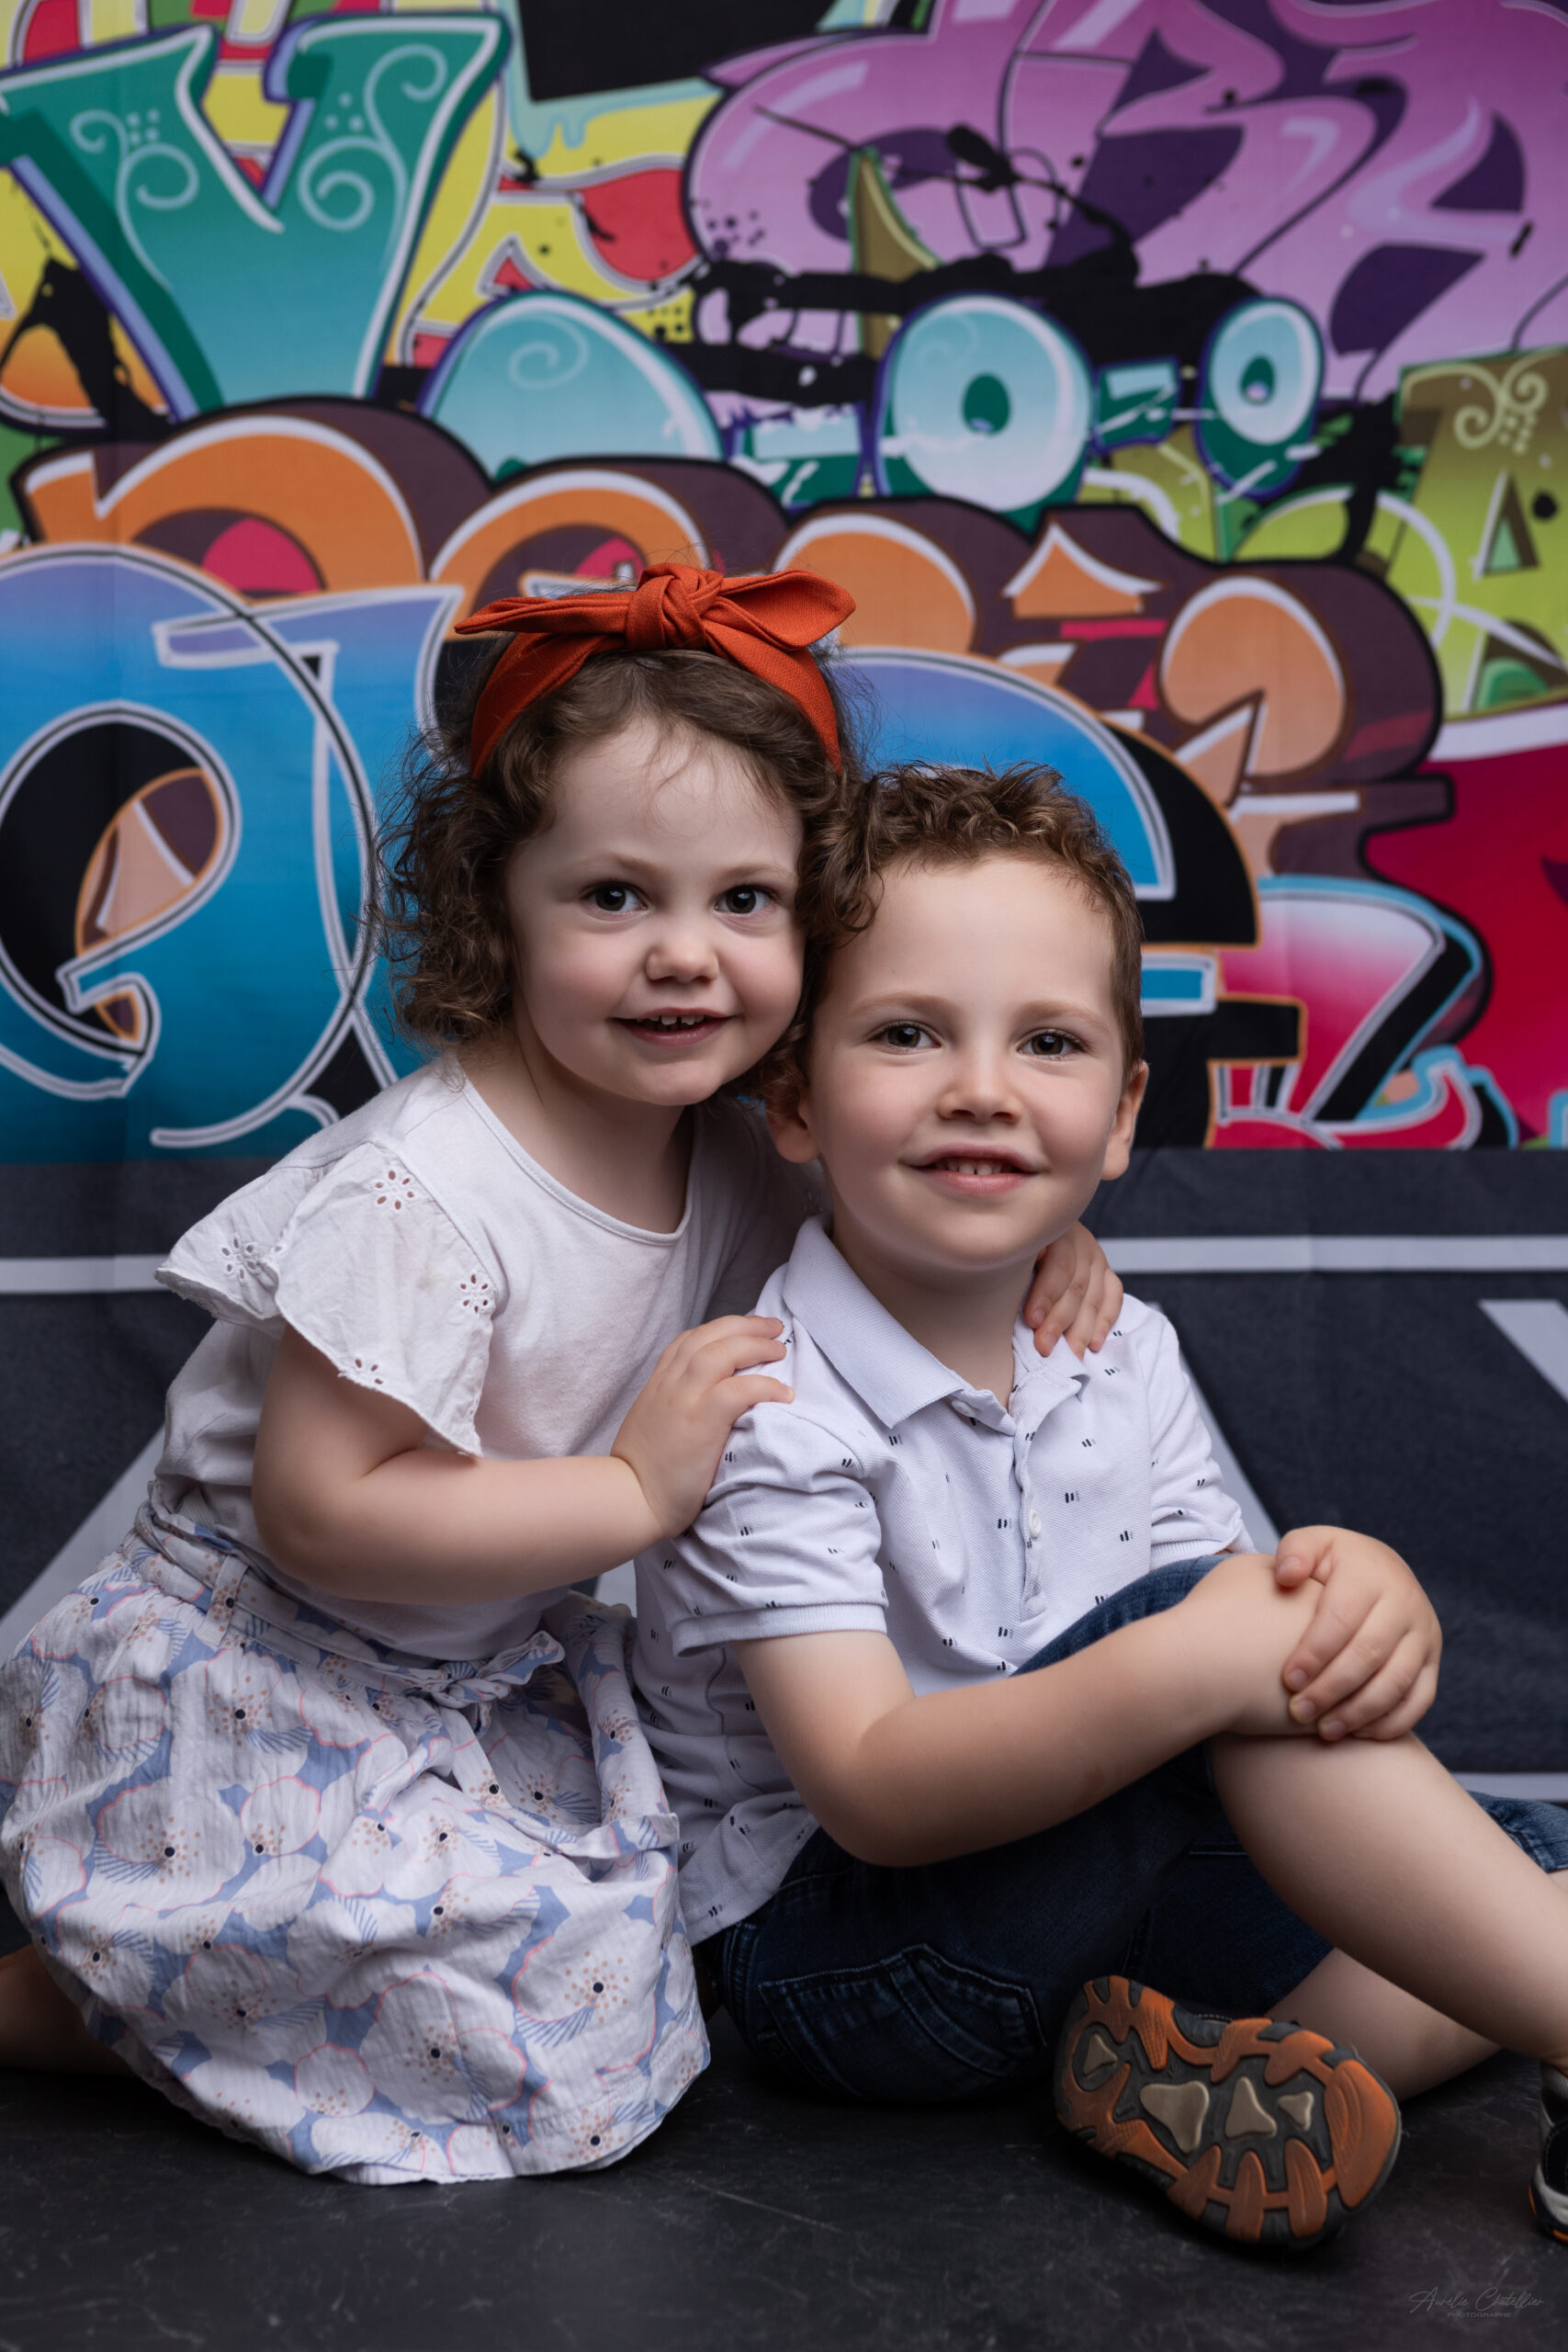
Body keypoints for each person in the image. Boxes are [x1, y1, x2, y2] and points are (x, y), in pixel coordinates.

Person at [0, 571, 1119, 2185]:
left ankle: (196, 1974)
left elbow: (908, 1224)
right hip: (264, 1674)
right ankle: (84, 1995)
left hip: (462, 1678)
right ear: (495, 905)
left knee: (638, 1957)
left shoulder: (731, 1156)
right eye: (612, 898)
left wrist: (1049, 1250)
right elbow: (320, 1514)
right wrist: (630, 1492)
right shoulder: (431, 1192)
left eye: (747, 901)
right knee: (554, 2035)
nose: (686, 956)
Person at [634, 761, 1568, 2251]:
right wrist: (1219, 1649)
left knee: (1525, 1856)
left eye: (1050, 1042)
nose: (982, 1087)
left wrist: (1354, 1591)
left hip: (1089, 1901)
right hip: (856, 1961)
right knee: (1237, 1661)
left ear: (1123, 1112)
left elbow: (1256, 1686)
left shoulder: (1120, 1348)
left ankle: (1201, 2084)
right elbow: (871, 1789)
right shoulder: (769, 1400)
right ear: (794, 1097)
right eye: (907, 1033)